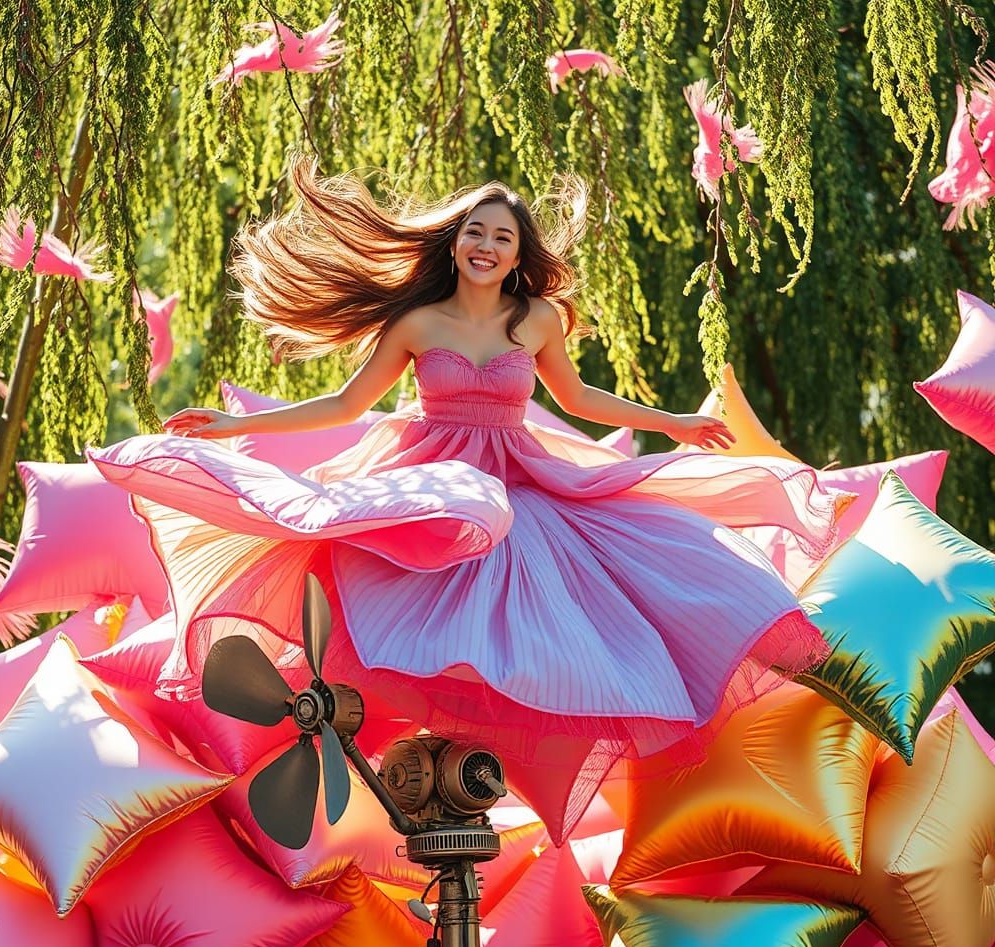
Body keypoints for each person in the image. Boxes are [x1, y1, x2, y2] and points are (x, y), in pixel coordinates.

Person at [88, 159, 838, 843]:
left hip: (516, 481)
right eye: (475, 232)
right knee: (396, 587)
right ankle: (418, 750)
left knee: (595, 592)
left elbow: (578, 399)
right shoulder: (417, 323)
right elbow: (347, 405)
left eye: (502, 237)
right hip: (434, 481)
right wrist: (239, 424)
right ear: (455, 245)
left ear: (518, 254)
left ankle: (489, 758)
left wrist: (670, 422)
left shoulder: (537, 321)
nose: (486, 245)